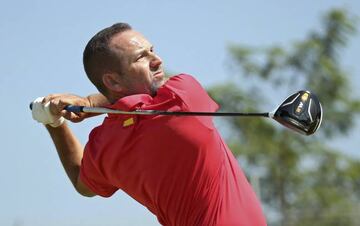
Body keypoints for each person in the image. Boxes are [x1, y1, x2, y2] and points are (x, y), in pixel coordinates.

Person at [31, 23, 267, 226]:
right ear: (112, 80)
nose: (157, 59)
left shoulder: (105, 144)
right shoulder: (183, 96)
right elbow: (147, 95)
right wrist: (87, 102)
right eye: (141, 57)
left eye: (152, 50)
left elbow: (82, 183)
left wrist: (54, 122)